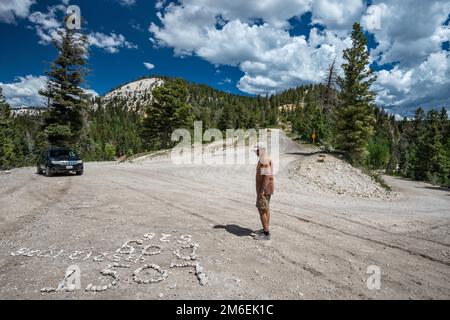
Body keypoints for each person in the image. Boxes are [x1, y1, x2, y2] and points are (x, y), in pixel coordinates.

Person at [253, 143, 275, 241]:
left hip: (264, 190)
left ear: (261, 149)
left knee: (262, 210)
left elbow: (267, 175)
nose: (255, 152)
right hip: (267, 188)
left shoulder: (264, 159)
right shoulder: (264, 158)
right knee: (266, 209)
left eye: (256, 150)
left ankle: (266, 234)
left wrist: (262, 189)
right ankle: (265, 228)